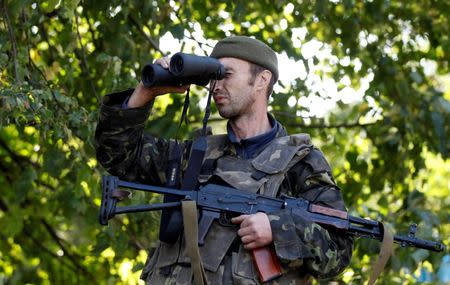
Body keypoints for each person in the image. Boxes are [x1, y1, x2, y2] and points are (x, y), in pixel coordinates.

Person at [95, 36, 353, 284]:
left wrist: (277, 228)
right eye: (213, 77)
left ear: (262, 80)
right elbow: (117, 157)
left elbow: (338, 252)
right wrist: (145, 92)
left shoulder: (300, 162)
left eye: (226, 75)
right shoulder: (196, 156)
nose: (216, 86)